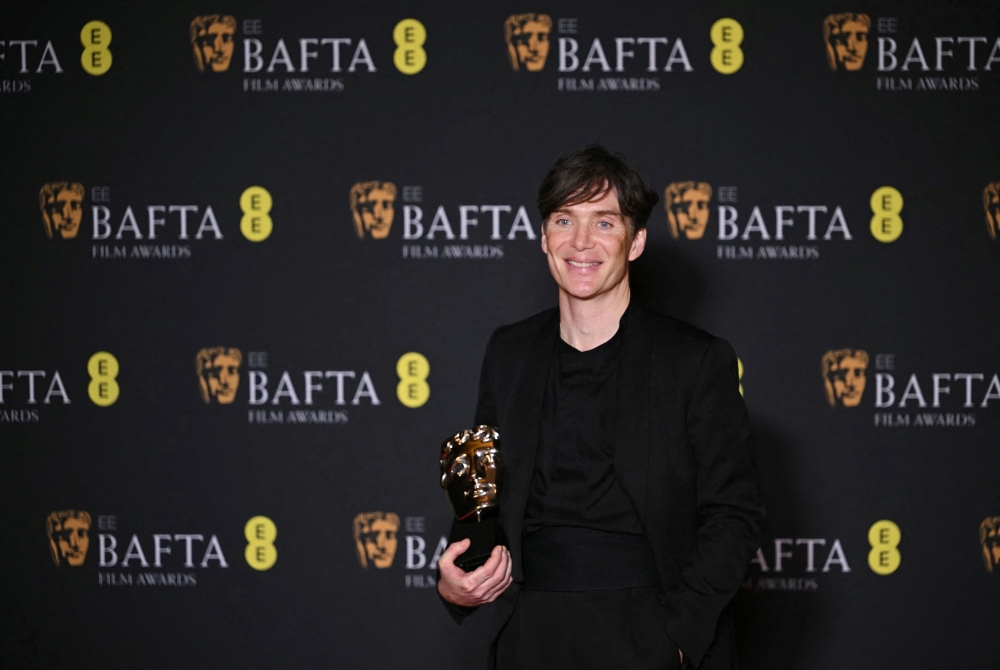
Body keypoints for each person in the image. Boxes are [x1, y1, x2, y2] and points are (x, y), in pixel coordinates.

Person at [437, 146, 764, 669]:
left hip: (647, 629)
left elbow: (734, 515)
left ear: (635, 242)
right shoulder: (508, 351)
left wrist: (679, 635)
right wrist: (458, 580)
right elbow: (481, 492)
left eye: (604, 222)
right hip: (530, 632)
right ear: (544, 236)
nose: (581, 242)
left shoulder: (696, 359)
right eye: (564, 219)